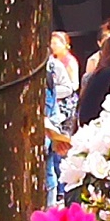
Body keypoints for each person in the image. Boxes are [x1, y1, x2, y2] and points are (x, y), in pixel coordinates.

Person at [42, 34, 79, 200]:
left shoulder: (54, 67)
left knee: (50, 169)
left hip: (52, 121)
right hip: (47, 124)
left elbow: (70, 87)